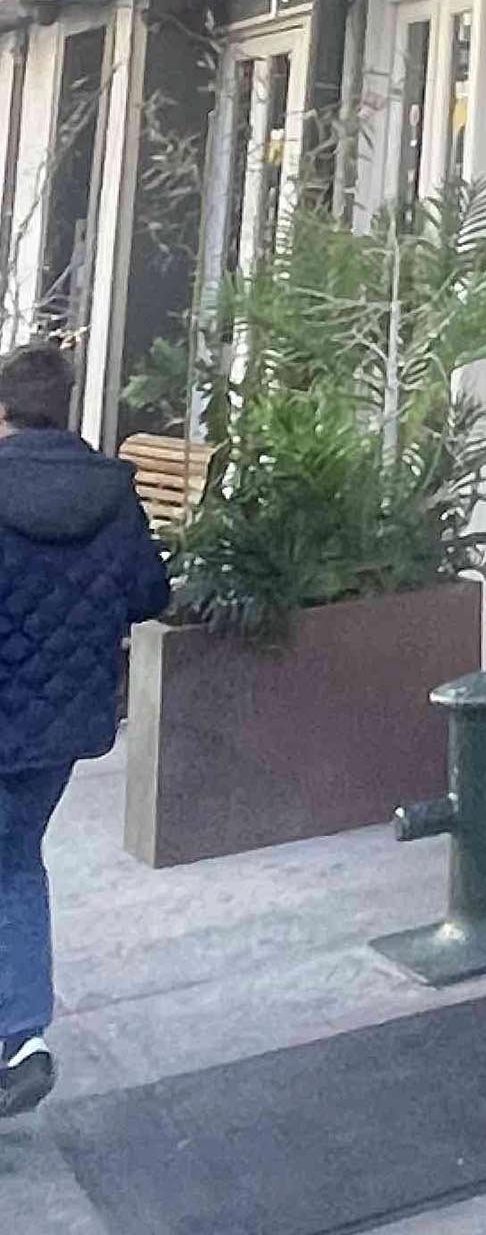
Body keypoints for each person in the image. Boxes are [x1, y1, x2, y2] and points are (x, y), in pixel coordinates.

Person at [0, 343, 171, 1121]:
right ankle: (22, 1036)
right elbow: (147, 594)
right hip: (62, 723)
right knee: (15, 862)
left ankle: (18, 1033)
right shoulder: (111, 491)